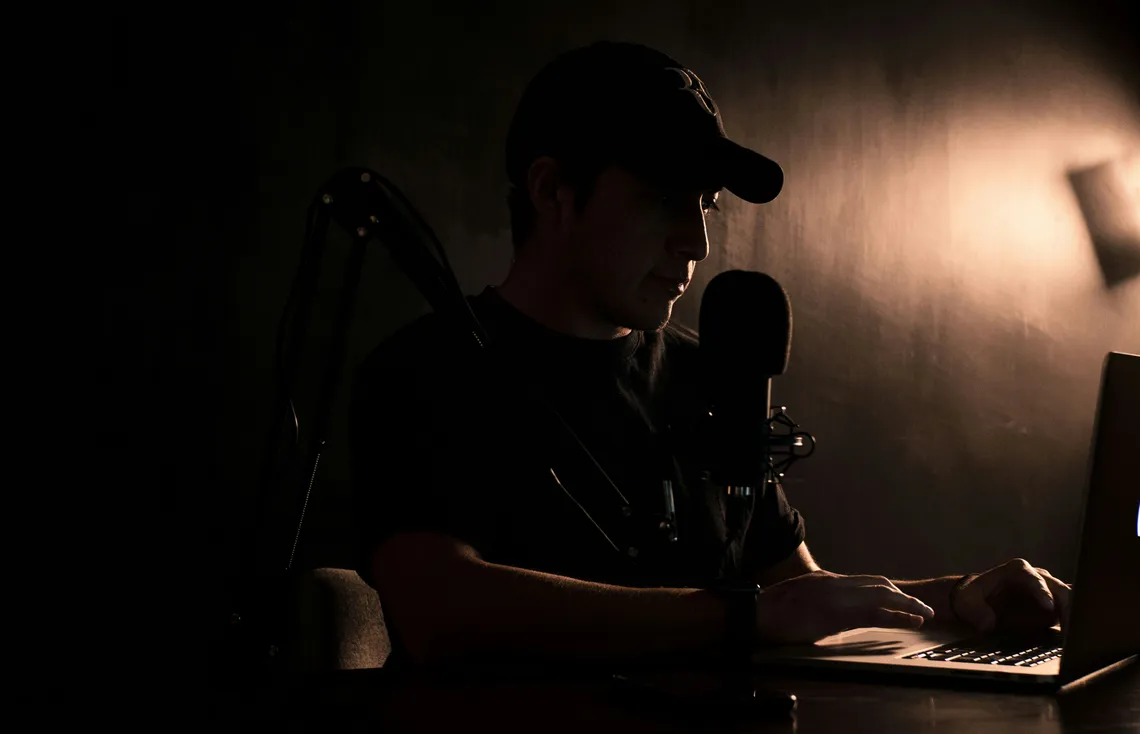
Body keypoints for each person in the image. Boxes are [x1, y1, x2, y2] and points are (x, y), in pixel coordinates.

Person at [350, 41, 1071, 668]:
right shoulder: (430, 370)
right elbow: (439, 611)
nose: (695, 243)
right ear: (553, 191)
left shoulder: (710, 375)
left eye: (706, 205)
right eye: (664, 199)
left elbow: (803, 599)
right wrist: (742, 619)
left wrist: (956, 598)